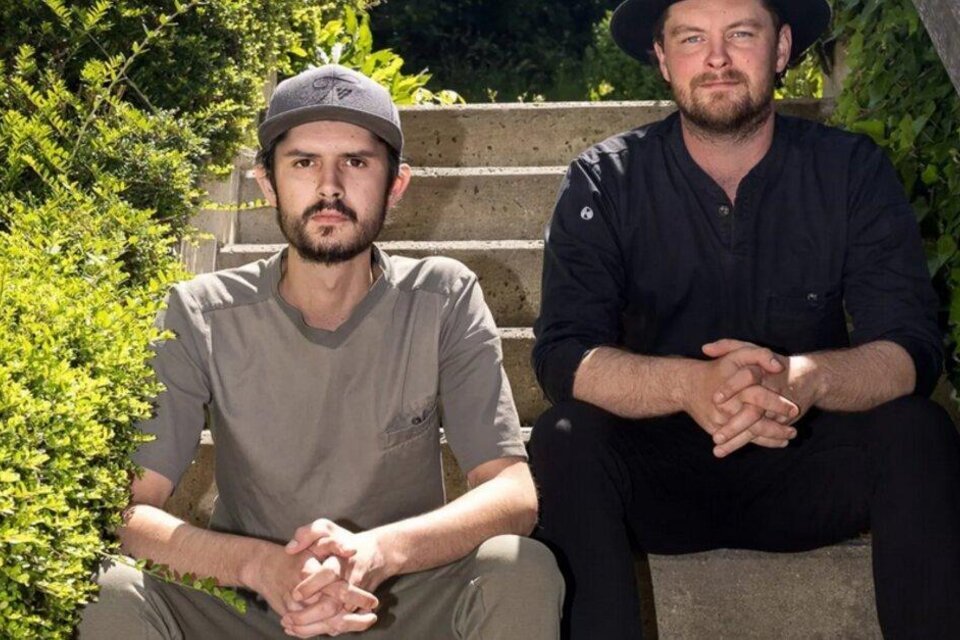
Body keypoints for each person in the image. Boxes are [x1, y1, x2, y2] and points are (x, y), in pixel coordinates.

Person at [80, 64, 563, 639]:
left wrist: (378, 553)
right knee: (105, 585)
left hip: (403, 604)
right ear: (267, 183)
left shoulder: (443, 297)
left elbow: (511, 491)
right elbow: (132, 510)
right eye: (304, 163)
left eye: (355, 163)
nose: (329, 187)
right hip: (248, 609)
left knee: (521, 566)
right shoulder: (200, 311)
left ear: (396, 184)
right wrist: (261, 567)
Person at [529, 0, 960, 638]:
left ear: (781, 49)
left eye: (740, 33)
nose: (717, 58)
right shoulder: (604, 181)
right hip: (653, 480)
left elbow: (912, 347)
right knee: (563, 437)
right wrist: (688, 386)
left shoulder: (850, 171)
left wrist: (803, 379)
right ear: (662, 58)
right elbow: (564, 356)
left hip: (805, 462)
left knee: (917, 432)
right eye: (692, 37)